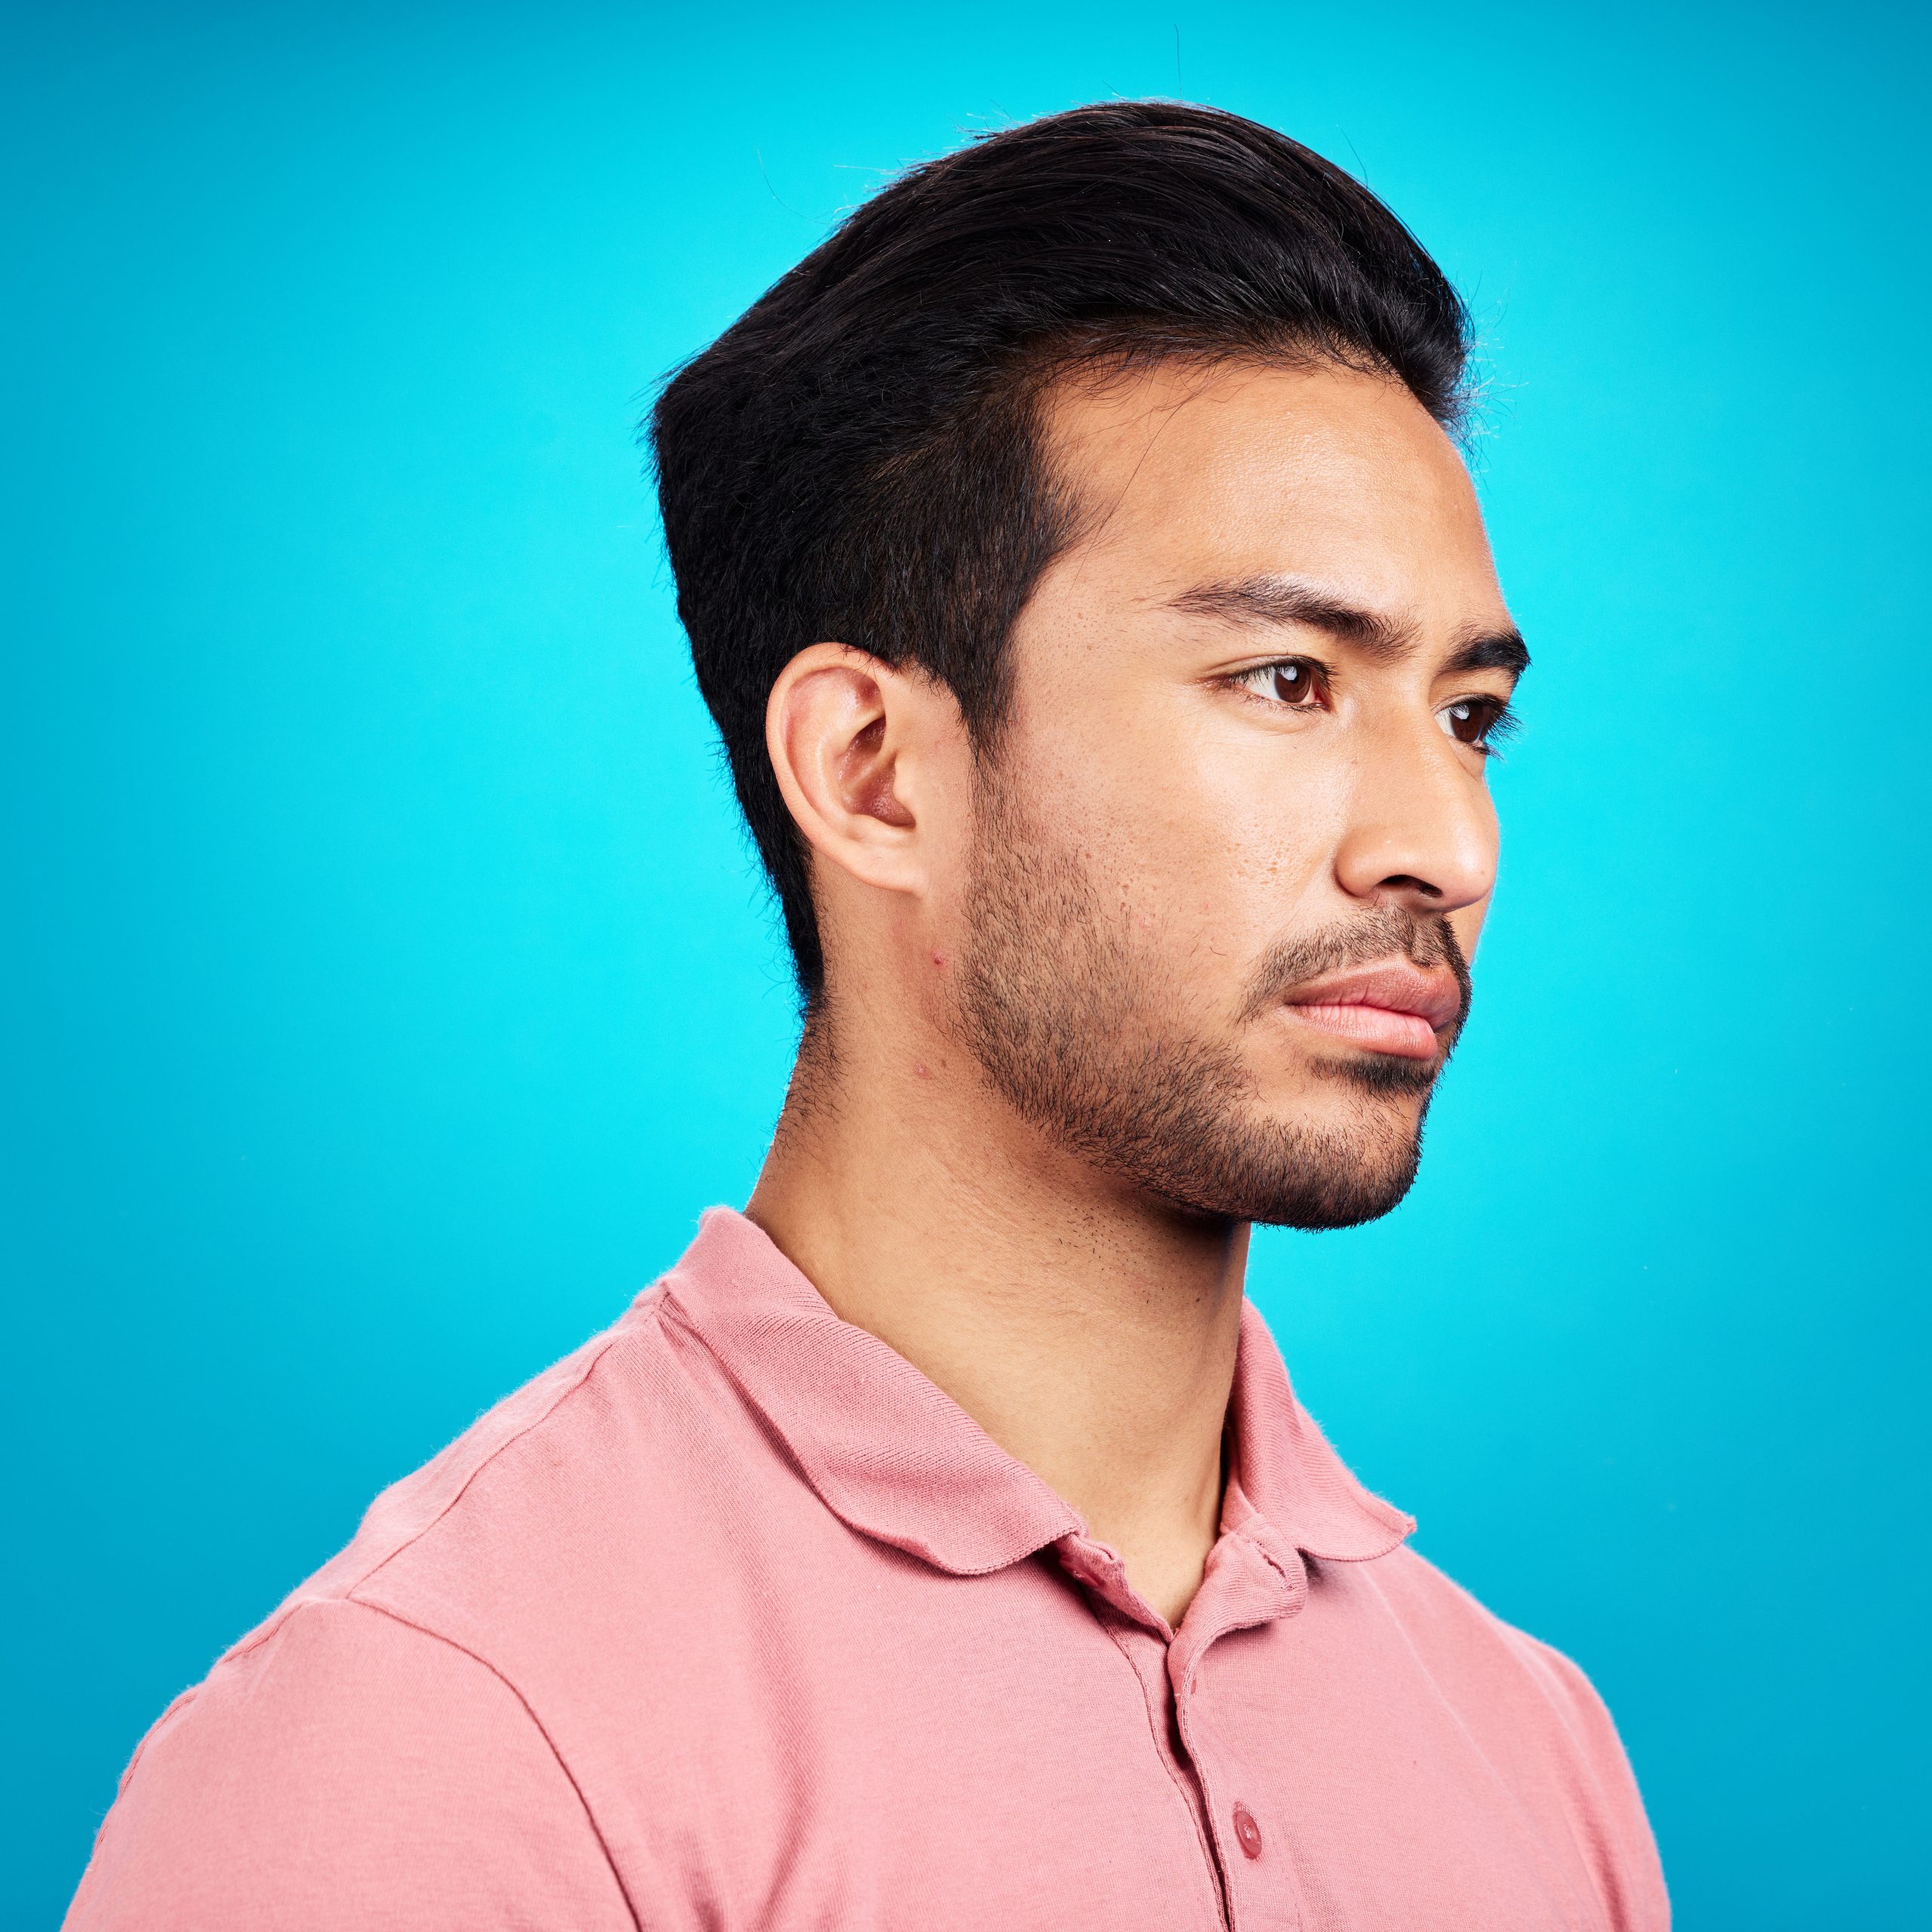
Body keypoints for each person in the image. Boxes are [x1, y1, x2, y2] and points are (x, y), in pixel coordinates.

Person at [66, 100, 1669, 1930]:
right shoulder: (440, 1737)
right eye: (1286, 678)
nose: (1440, 841)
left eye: (1467, 715)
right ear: (875, 769)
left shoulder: (1525, 1738)